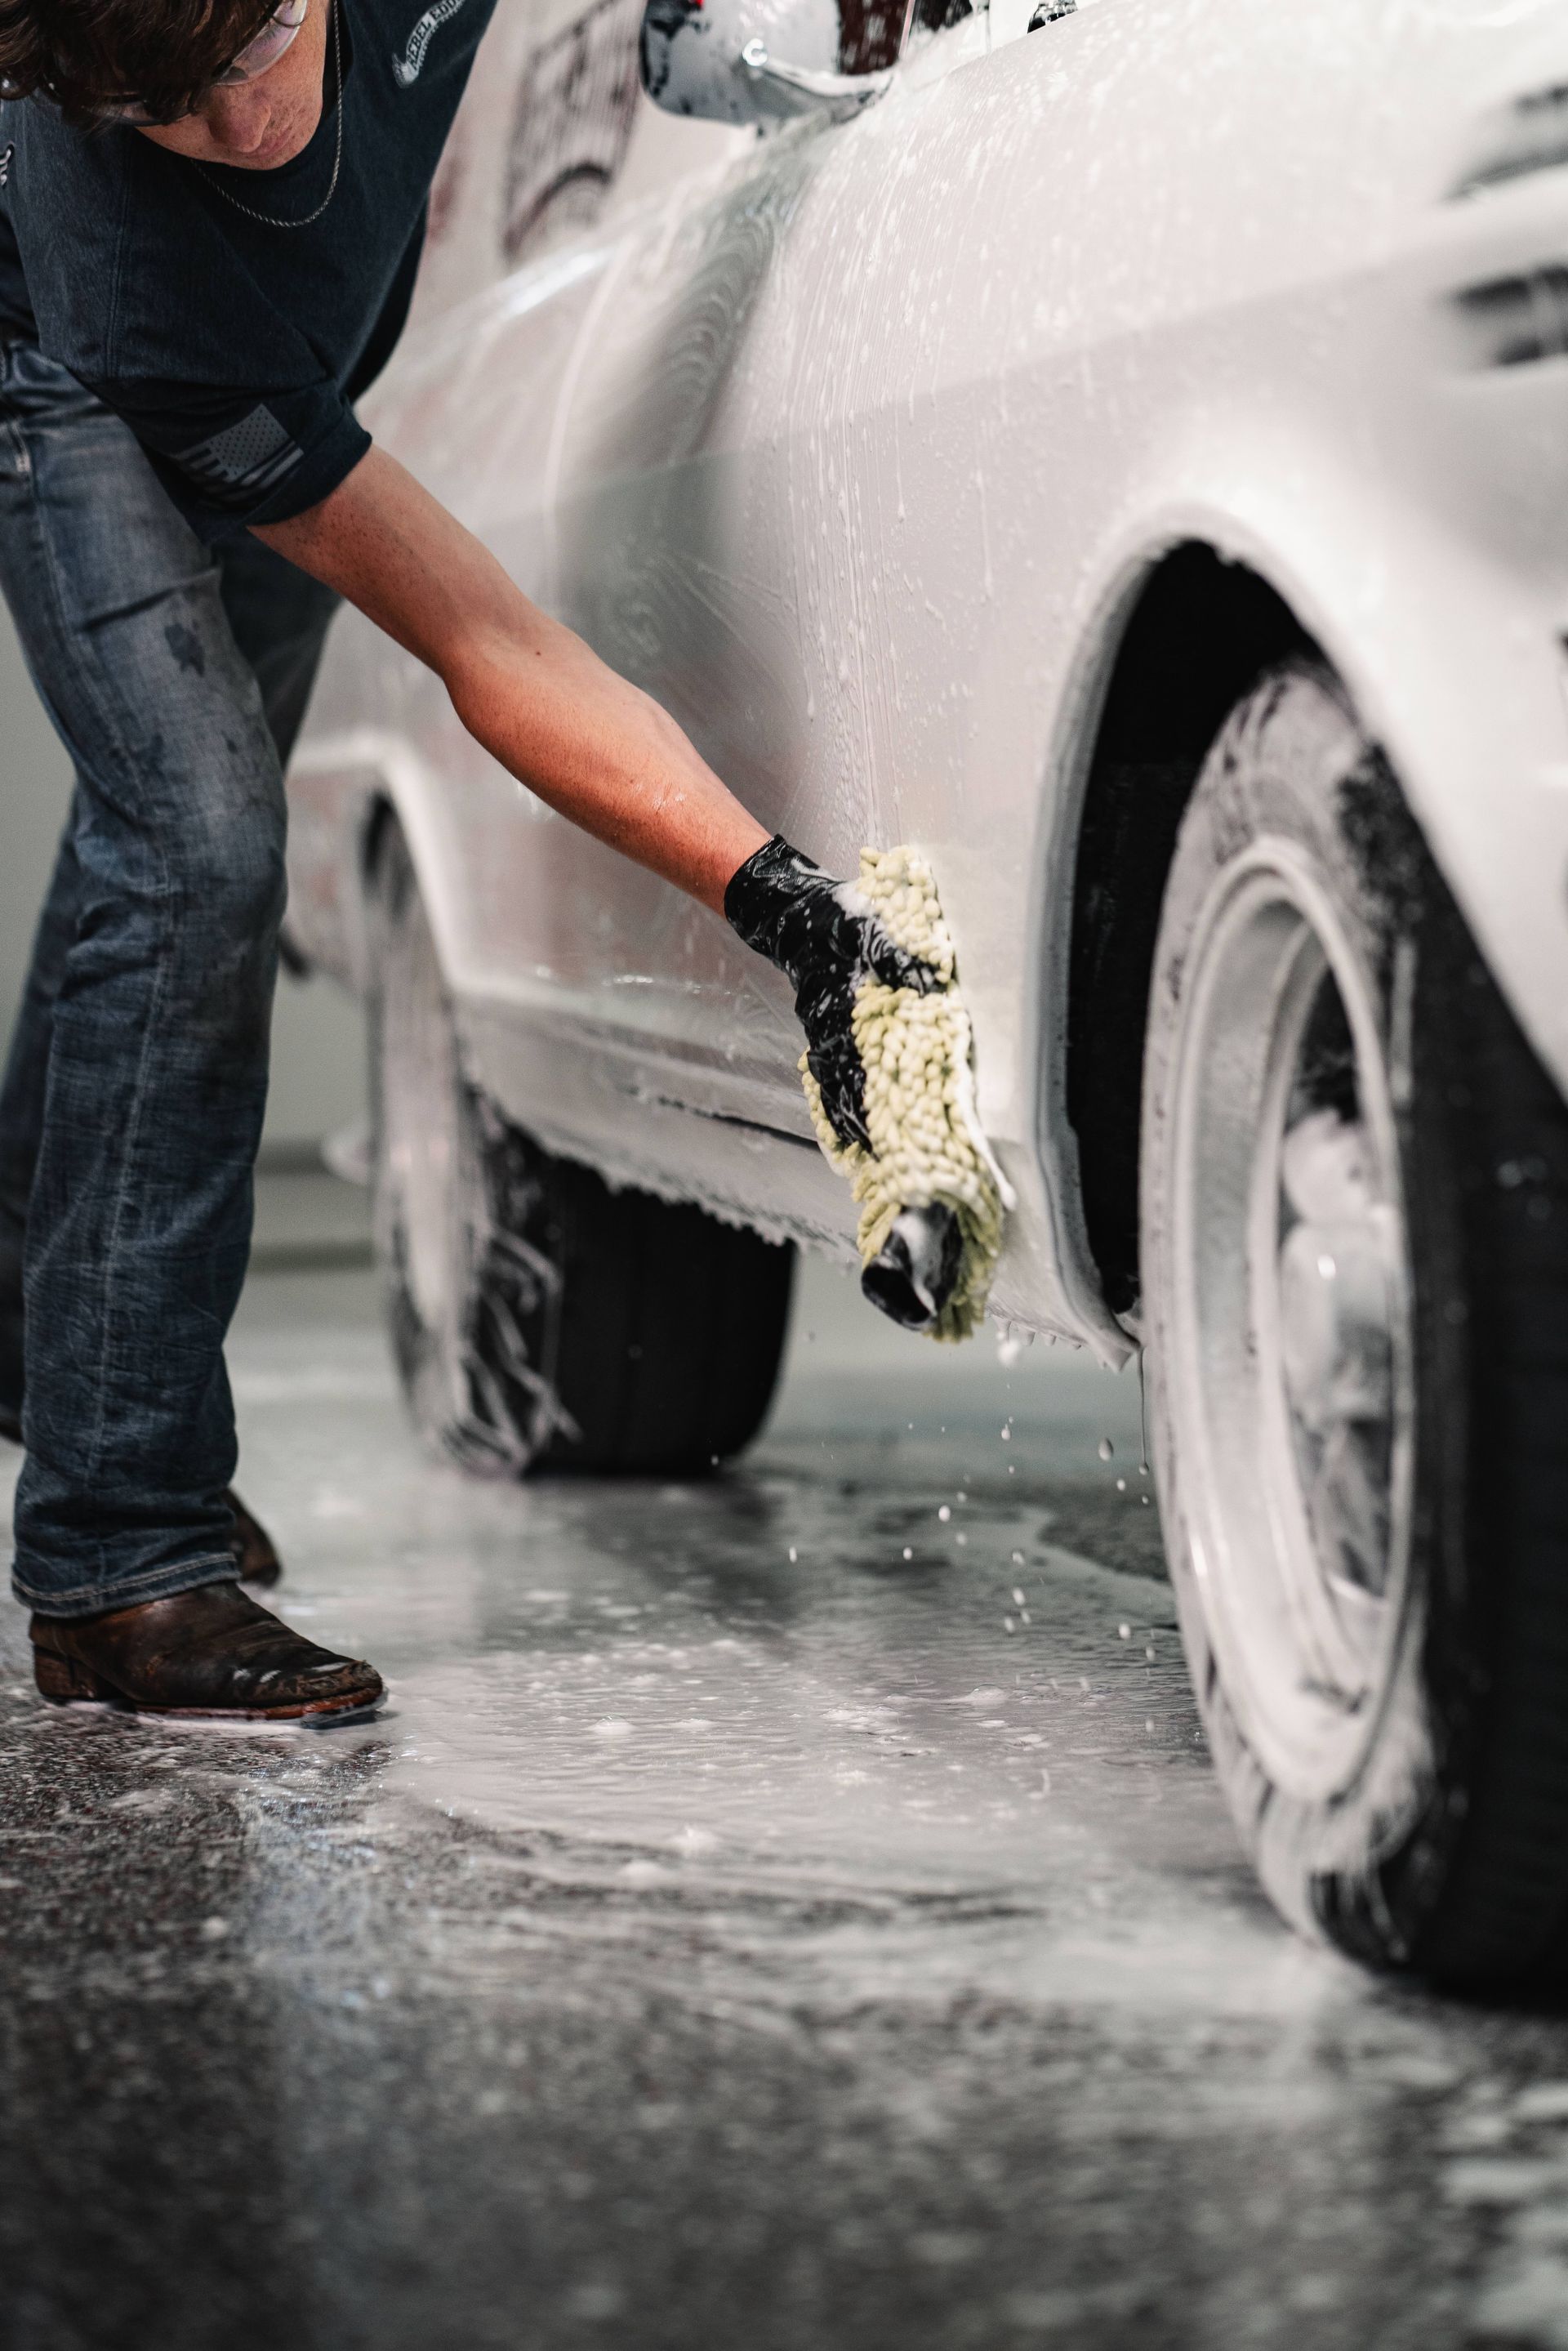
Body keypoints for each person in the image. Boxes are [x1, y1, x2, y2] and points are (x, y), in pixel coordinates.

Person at [0, 0, 933, 1721]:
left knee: (166, 842)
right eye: (178, 110)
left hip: (297, 348)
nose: (246, 118)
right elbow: (490, 642)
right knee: (196, 842)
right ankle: (117, 1554)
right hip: (72, 366)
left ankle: (41, 1324)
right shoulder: (136, 272)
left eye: (260, 47)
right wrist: (779, 902)